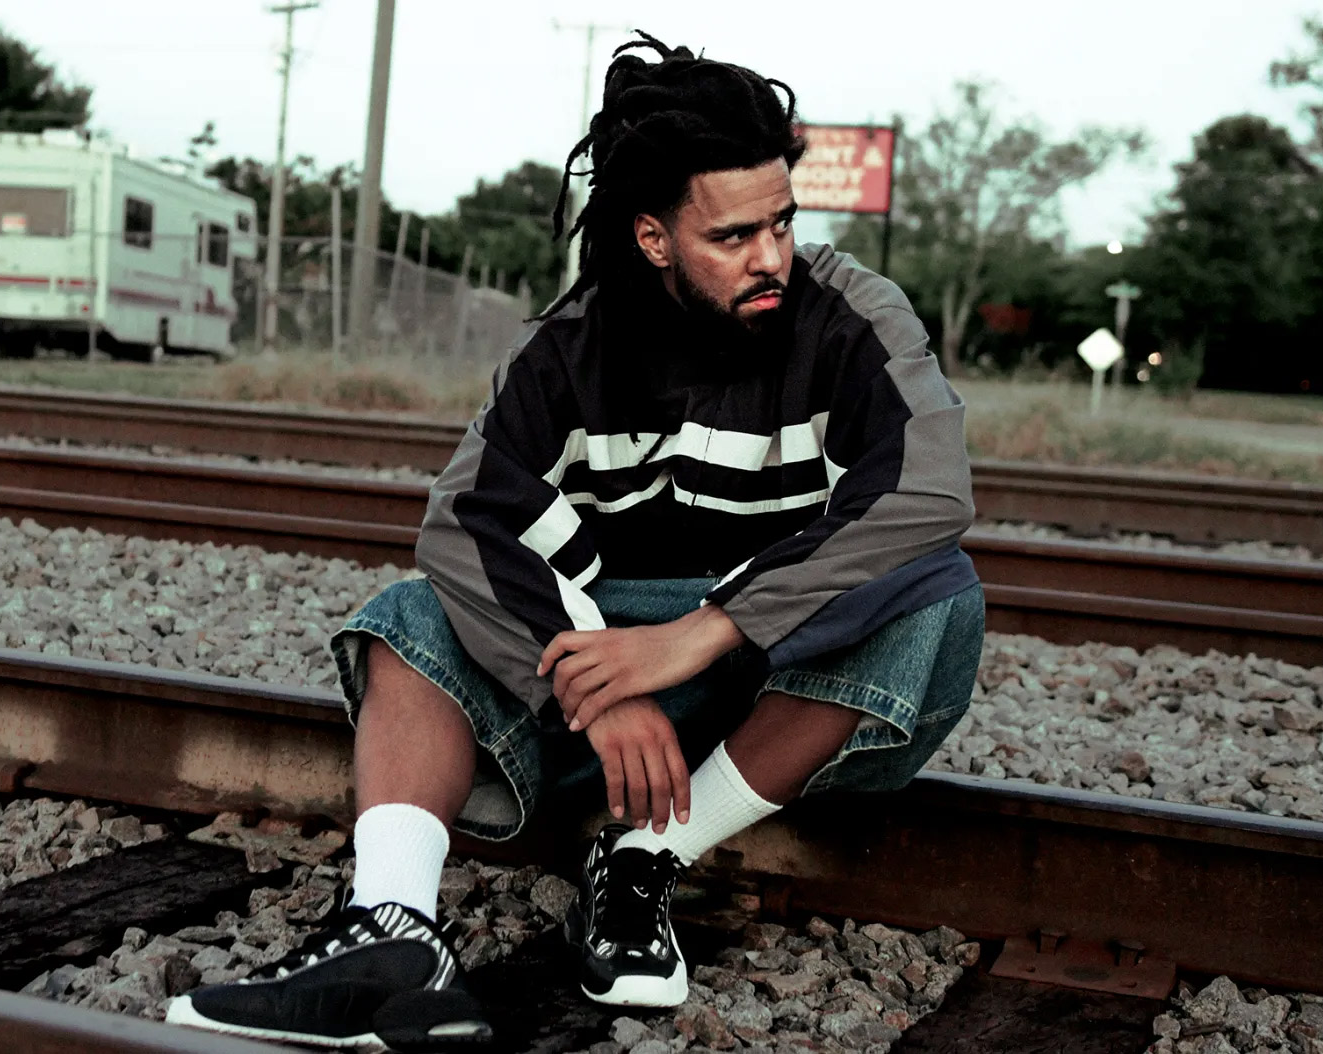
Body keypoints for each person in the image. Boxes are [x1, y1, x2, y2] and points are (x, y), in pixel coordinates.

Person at [166, 31, 984, 1051]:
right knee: (411, 615)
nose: (771, 256)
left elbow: (929, 487)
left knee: (936, 587)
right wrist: (601, 687)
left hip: (787, 697)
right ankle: (388, 931)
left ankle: (642, 859)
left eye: (781, 222)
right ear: (653, 237)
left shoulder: (853, 314)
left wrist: (704, 630)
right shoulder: (571, 346)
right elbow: (463, 521)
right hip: (606, 686)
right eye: (732, 236)